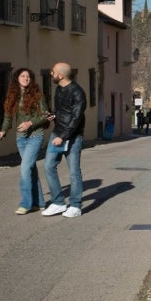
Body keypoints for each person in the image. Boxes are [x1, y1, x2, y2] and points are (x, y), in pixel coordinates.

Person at [0, 68, 51, 215]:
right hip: (21, 138)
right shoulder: (12, 95)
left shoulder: (37, 95)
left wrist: (30, 123)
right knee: (30, 169)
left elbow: (46, 115)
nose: (26, 78)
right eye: (22, 76)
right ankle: (39, 203)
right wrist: (3, 131)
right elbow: (7, 118)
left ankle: (25, 203)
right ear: (17, 79)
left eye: (28, 76)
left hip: (35, 136)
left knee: (25, 168)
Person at [42, 62, 86, 218]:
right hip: (58, 132)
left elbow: (76, 118)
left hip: (72, 136)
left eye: (53, 72)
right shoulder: (59, 90)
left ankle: (75, 206)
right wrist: (54, 114)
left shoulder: (78, 92)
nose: (51, 74)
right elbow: (63, 110)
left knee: (73, 171)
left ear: (60, 75)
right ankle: (58, 203)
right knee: (48, 166)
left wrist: (63, 137)